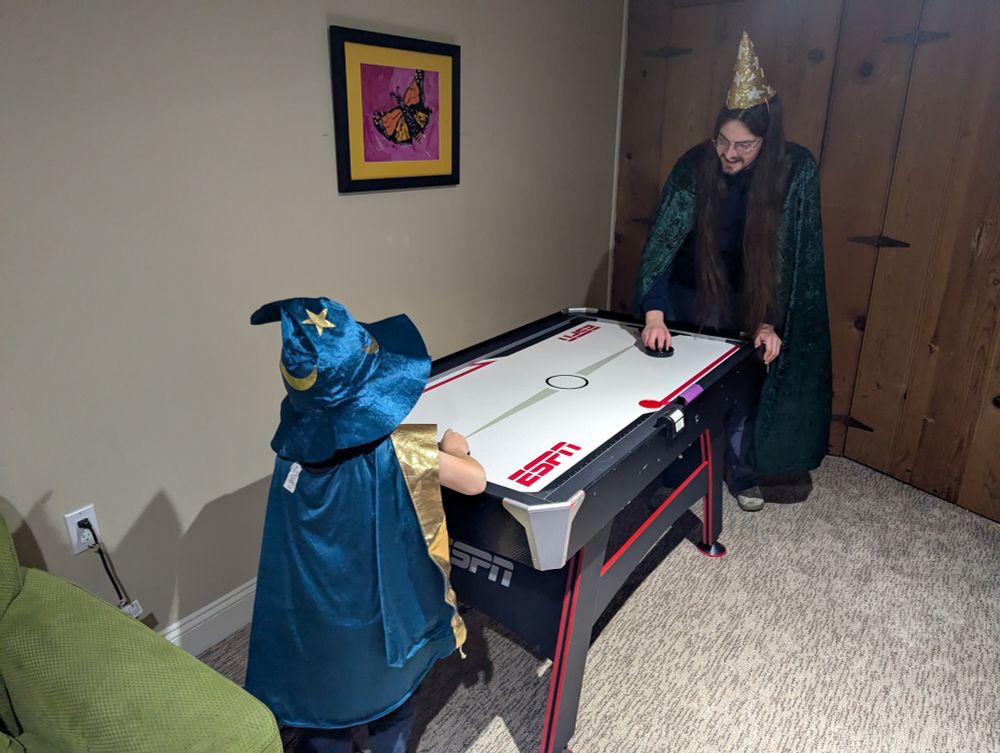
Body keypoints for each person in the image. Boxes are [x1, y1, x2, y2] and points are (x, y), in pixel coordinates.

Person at [243, 296, 486, 753]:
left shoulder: (291, 455)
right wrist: (457, 447)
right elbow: (473, 483)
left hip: (315, 622)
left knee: (324, 709)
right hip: (379, 623)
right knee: (391, 702)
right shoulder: (403, 448)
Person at [635, 32, 832, 511]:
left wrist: (771, 321)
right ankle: (677, 474)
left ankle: (742, 474)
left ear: (767, 140)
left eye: (744, 145)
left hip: (751, 299)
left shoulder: (792, 172)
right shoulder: (693, 167)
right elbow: (662, 244)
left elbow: (792, 259)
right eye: (722, 140)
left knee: (744, 390)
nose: (730, 153)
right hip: (689, 293)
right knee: (686, 390)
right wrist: (655, 312)